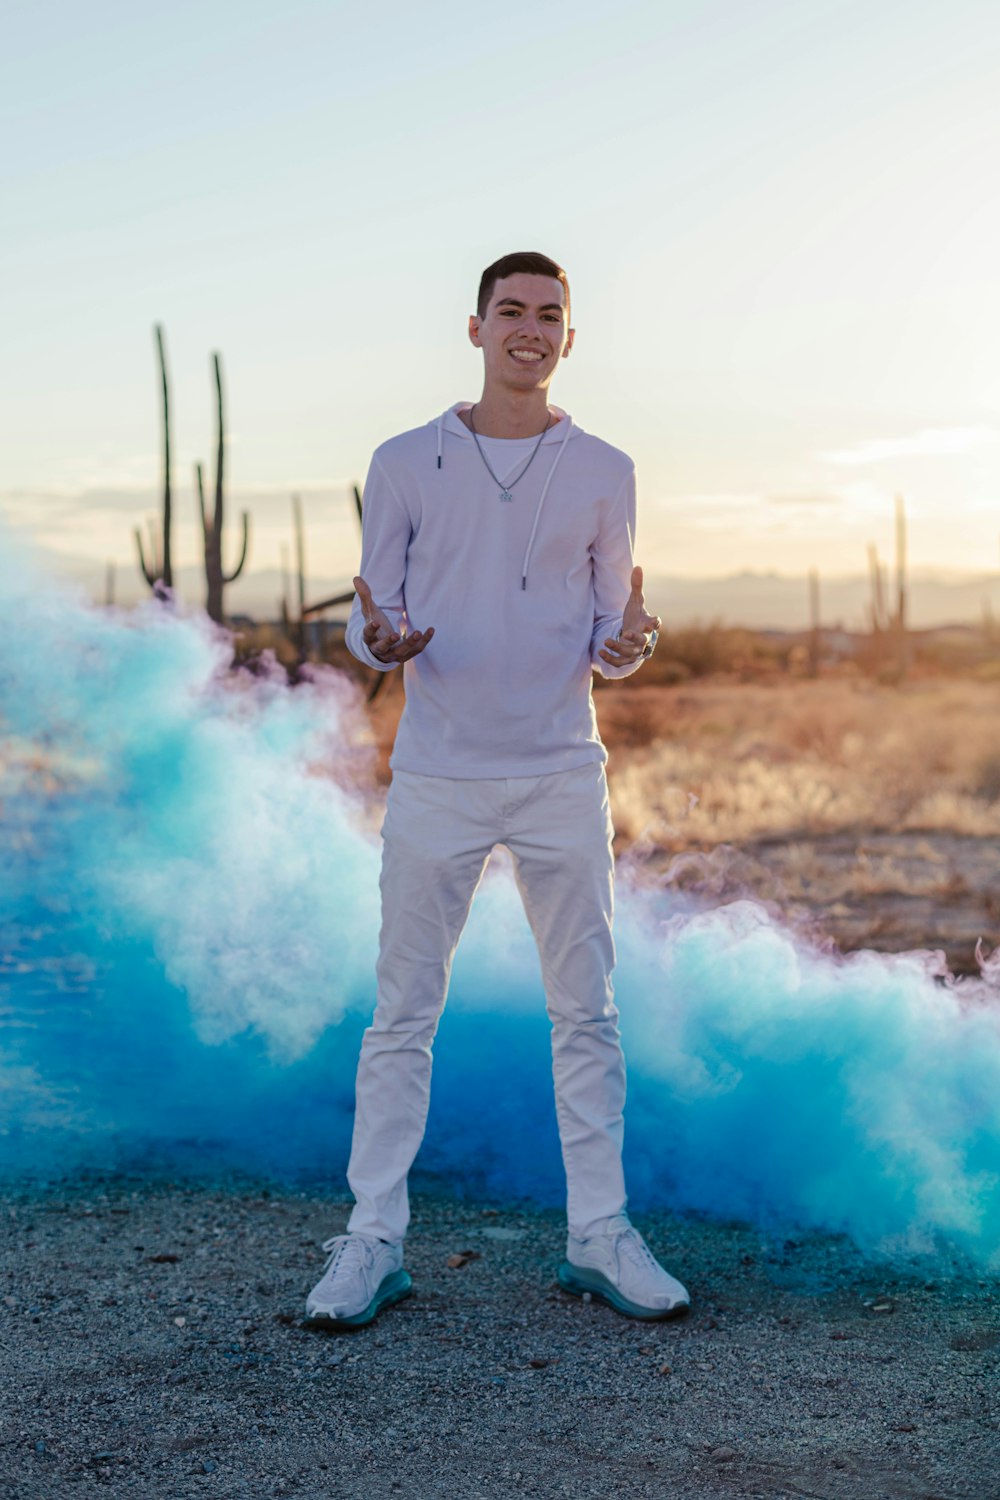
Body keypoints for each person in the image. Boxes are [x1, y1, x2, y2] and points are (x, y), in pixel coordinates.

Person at [306, 251, 690, 1328]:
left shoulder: (606, 468)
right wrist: (376, 636)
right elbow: (369, 606)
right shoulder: (402, 460)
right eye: (510, 311)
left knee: (587, 1014)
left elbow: (612, 636)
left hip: (563, 770)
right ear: (473, 329)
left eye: (549, 315)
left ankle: (600, 1237)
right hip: (438, 775)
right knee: (401, 1016)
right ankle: (370, 1243)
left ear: (571, 339)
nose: (529, 328)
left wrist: (629, 643)